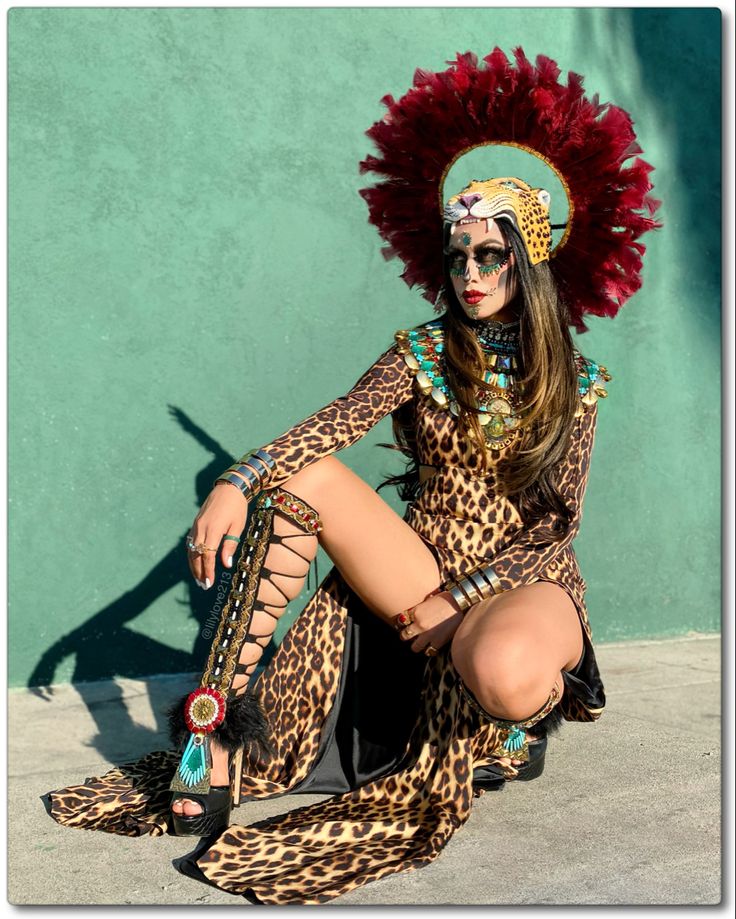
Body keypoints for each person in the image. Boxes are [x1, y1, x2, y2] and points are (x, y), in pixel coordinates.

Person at [43, 48, 660, 905]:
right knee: (310, 479)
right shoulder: (419, 351)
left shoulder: (577, 381)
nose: (471, 275)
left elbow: (558, 524)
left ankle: (516, 725)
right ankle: (212, 735)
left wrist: (471, 591)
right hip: (417, 563)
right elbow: (334, 423)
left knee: (506, 670)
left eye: (490, 255)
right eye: (458, 258)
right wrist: (236, 478)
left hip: (525, 579)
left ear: (530, 261)